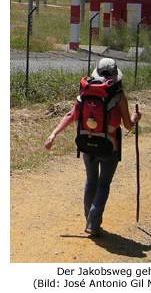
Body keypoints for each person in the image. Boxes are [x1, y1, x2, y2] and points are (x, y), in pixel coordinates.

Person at [44, 58, 141, 237]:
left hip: (86, 145)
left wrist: (53, 134)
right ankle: (93, 222)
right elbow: (128, 125)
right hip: (109, 147)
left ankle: (89, 220)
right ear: (114, 74)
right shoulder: (118, 95)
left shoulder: (85, 92)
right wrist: (135, 117)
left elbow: (71, 115)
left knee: (91, 181)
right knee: (103, 185)